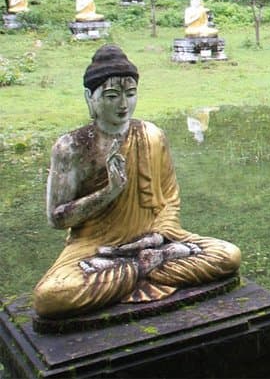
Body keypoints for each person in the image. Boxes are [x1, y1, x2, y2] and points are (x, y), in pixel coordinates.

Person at [32, 45, 241, 319]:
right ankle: (142, 268)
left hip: (153, 242)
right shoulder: (71, 147)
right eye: (112, 96)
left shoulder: (152, 135)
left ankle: (137, 267)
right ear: (89, 98)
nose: (123, 105)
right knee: (51, 297)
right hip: (96, 247)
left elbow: (169, 199)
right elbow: (57, 218)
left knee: (228, 255)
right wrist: (109, 192)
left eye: (130, 94)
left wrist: (157, 237)